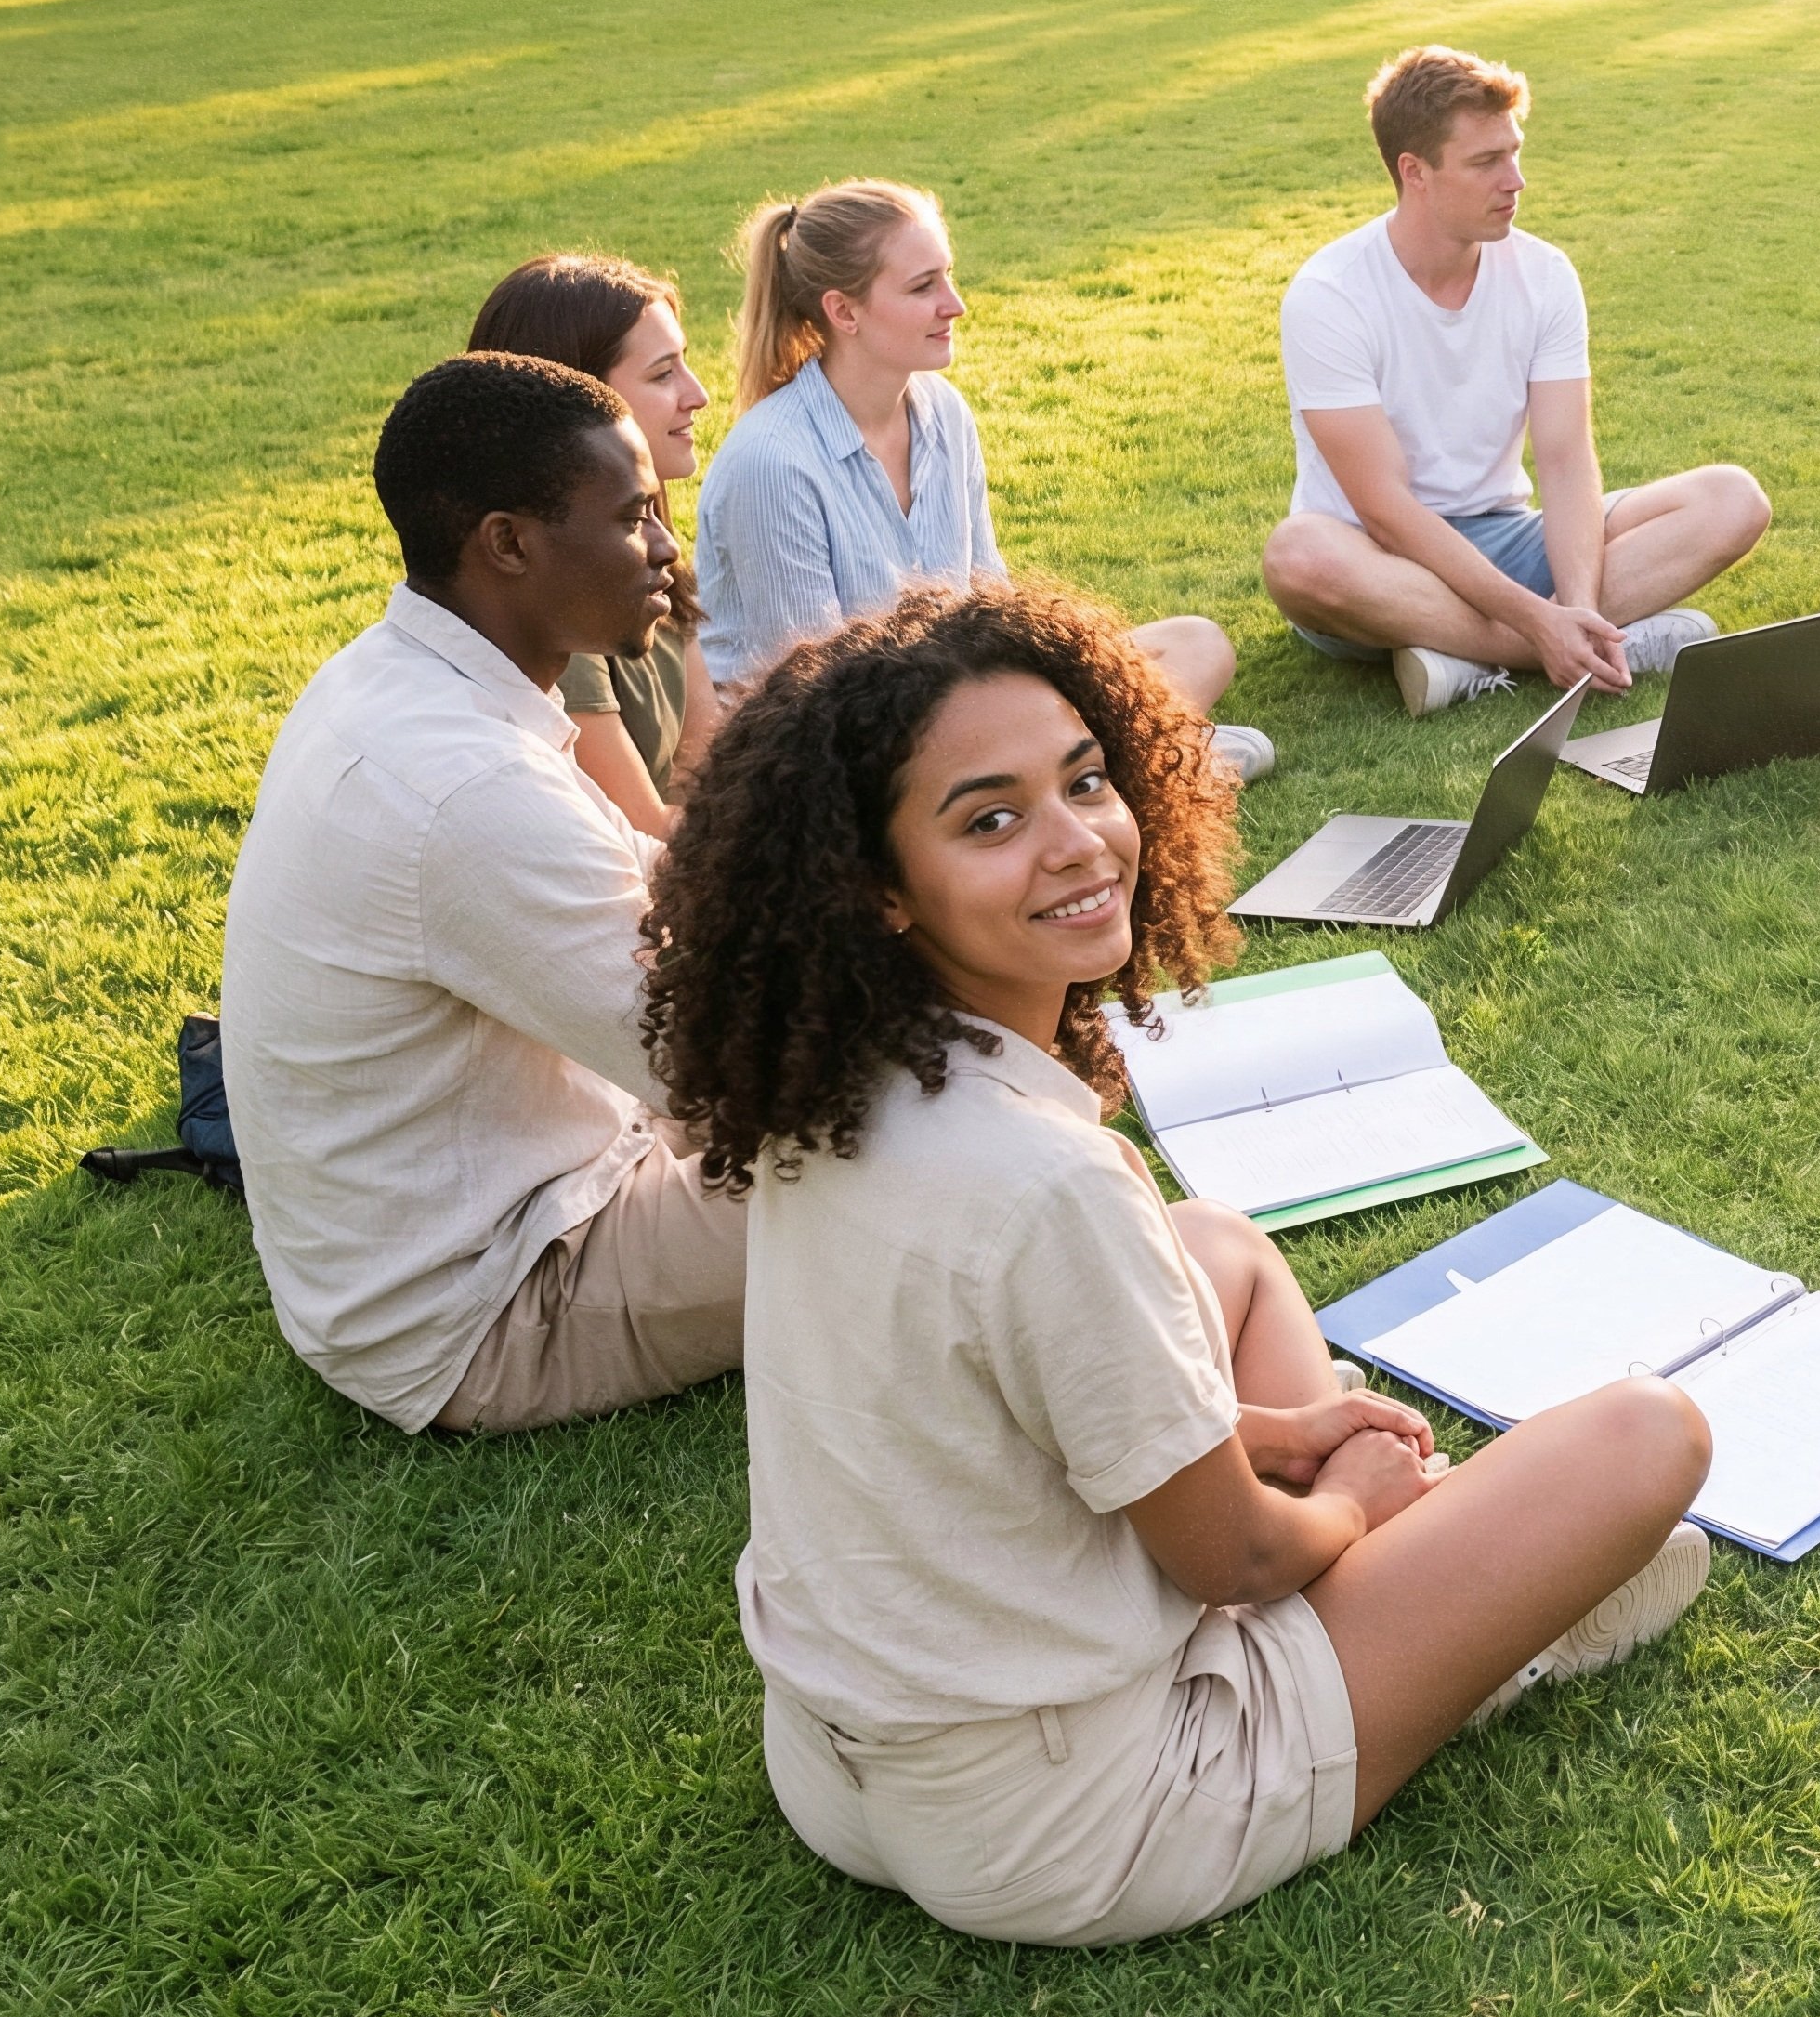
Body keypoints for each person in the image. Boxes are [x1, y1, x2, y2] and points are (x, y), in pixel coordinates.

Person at [646, 582, 1717, 1945]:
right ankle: (1480, 1625)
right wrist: (1360, 1498)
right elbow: (1236, 1555)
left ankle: (1433, 1603)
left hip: (842, 1762)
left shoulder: (833, 1082)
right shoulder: (1045, 1182)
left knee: (1216, 1248)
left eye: (1086, 781)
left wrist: (1268, 1428)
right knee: (1648, 1434)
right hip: (1078, 1820)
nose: (1080, 842)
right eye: (990, 819)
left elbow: (978, 1404)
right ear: (876, 889)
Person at [220, 352, 748, 1434]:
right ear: (507, 544)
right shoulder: (464, 783)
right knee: (934, 1166)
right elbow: (722, 1066)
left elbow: (654, 896)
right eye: (634, 516)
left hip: (505, 1213)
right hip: (489, 1307)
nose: (665, 548)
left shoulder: (400, 678)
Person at [695, 178, 1269, 782]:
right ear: (844, 311)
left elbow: (990, 603)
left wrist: (1030, 682)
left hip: (955, 704)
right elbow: (814, 698)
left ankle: (1089, 762)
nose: (955, 304)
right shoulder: (772, 463)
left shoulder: (941, 411)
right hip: (840, 751)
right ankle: (1120, 757)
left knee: (1197, 644)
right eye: (924, 287)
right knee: (1187, 727)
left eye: (948, 275)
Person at [1258, 48, 1774, 716]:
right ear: (1414, 172)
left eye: (1514, 152)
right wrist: (1538, 623)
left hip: (1505, 538)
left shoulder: (1545, 274)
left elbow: (1564, 461)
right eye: (1486, 162)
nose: (1517, 181)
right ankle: (1577, 646)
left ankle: (1494, 652)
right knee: (1299, 555)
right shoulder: (1330, 294)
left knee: (1733, 500)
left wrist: (1578, 606)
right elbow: (1384, 506)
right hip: (1376, 558)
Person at [466, 252, 723, 834]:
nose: (698, 394)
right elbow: (642, 829)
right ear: (580, 402)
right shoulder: (555, 602)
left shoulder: (653, 543)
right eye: (663, 374)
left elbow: (711, 761)